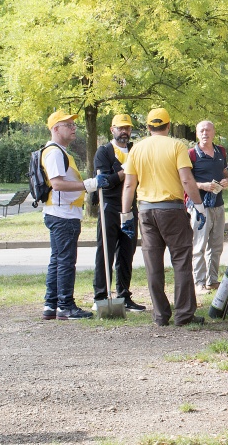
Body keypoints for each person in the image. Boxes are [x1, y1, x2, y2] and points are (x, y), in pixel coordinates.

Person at [120, 108, 203, 327]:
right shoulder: (177, 146)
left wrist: (125, 214)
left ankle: (160, 314)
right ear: (168, 125)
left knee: (153, 264)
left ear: (148, 127)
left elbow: (129, 184)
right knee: (181, 260)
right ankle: (184, 314)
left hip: (146, 211)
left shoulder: (137, 149)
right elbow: (186, 180)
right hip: (172, 210)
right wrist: (199, 205)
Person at [41, 110, 101, 320]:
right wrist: (89, 185)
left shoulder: (57, 151)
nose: (73, 128)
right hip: (63, 214)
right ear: (56, 129)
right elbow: (57, 184)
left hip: (60, 212)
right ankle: (65, 306)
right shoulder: (55, 153)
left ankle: (51, 305)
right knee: (66, 261)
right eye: (68, 125)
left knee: (58, 260)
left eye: (73, 125)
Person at [91, 113, 146, 312]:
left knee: (127, 252)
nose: (124, 132)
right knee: (105, 252)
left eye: (127, 128)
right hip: (109, 207)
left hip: (130, 207)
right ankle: (100, 296)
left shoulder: (135, 150)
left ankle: (124, 295)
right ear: (112, 129)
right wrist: (126, 172)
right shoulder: (104, 152)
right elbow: (105, 182)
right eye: (120, 128)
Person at [189, 120, 228, 292]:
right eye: (201, 131)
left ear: (213, 132)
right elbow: (185, 181)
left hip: (218, 204)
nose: (205, 133)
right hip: (200, 207)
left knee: (216, 246)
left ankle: (212, 281)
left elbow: (225, 172)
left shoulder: (221, 151)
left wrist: (226, 180)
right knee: (199, 246)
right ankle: (199, 282)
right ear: (197, 134)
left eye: (208, 130)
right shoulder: (191, 154)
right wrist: (202, 186)